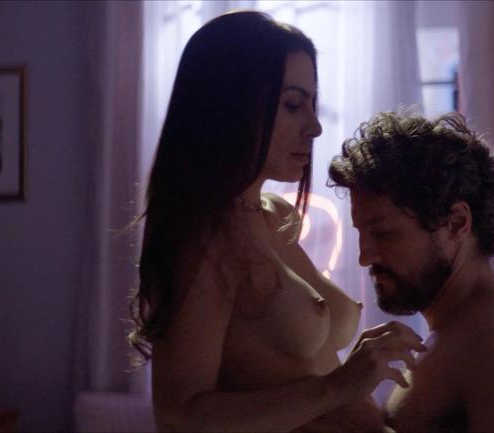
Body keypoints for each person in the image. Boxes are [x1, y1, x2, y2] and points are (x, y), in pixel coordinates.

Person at [127, 11, 425, 432]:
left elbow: (288, 365)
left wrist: (353, 369)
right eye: (293, 105)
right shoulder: (204, 240)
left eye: (312, 104)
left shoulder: (277, 217)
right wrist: (338, 386)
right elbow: (179, 417)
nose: (315, 126)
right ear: (232, 107)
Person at [328, 111, 494, 432]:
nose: (365, 257)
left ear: (456, 223)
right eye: (361, 234)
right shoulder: (463, 330)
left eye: (383, 234)